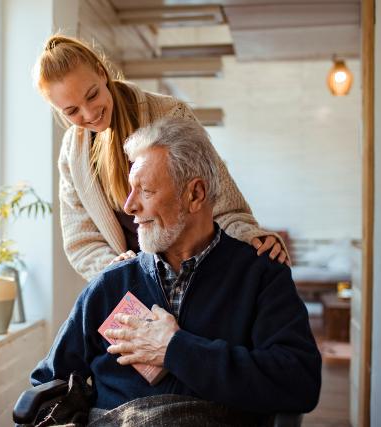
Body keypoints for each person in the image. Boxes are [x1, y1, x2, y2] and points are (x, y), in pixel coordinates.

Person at [30, 118, 321, 423]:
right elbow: (46, 383)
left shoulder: (260, 276)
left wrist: (175, 349)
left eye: (145, 191)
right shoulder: (112, 284)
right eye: (130, 190)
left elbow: (299, 383)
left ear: (195, 195)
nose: (129, 206)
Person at [34, 35, 289, 281]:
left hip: (197, 273)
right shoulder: (72, 153)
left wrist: (251, 236)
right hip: (132, 286)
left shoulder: (170, 113)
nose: (89, 113)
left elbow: (219, 197)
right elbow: (82, 240)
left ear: (102, 72)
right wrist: (115, 271)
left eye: (92, 95)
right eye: (72, 111)